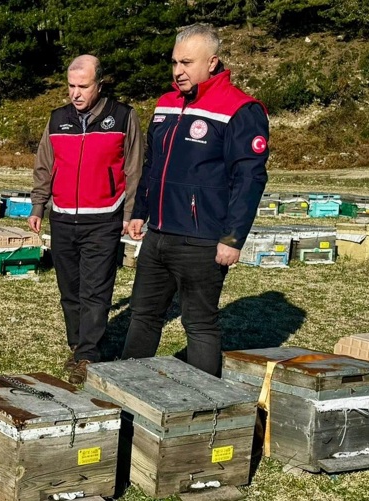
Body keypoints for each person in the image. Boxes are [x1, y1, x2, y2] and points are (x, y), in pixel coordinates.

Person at [120, 23, 269, 377]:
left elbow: (249, 178)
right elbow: (152, 164)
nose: (178, 71)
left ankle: (205, 408)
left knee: (199, 324)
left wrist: (232, 238)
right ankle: (125, 385)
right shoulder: (166, 104)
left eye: (186, 62)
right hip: (158, 234)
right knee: (143, 314)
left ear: (212, 62)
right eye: (174, 62)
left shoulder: (240, 109)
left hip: (202, 240)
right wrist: (140, 211)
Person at [29, 54, 143, 384]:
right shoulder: (57, 119)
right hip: (62, 218)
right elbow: (44, 166)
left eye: (83, 86)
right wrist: (39, 206)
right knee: (70, 290)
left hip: (104, 219)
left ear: (99, 84)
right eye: (71, 86)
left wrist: (130, 213)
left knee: (95, 289)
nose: (75, 93)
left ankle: (88, 354)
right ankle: (76, 343)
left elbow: (134, 169)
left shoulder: (123, 117)